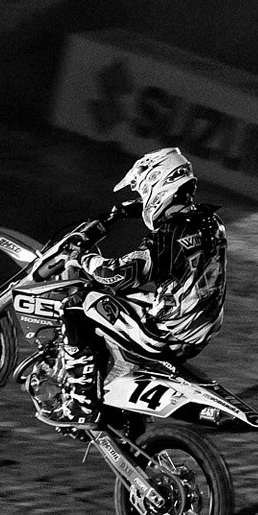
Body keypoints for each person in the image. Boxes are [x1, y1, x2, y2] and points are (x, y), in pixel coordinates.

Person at [39, 148, 228, 432]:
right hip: (200, 322)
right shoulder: (210, 222)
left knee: (76, 305)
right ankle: (119, 392)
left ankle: (82, 403)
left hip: (168, 330)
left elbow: (119, 275)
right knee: (118, 304)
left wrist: (82, 259)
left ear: (158, 185)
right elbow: (180, 226)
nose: (143, 197)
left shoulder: (167, 237)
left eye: (143, 191)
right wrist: (131, 210)